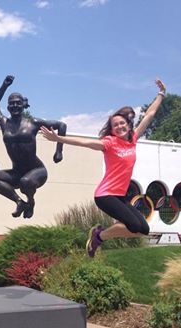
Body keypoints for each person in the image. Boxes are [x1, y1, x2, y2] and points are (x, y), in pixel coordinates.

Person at [40, 79, 167, 257]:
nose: (120, 126)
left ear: (128, 125)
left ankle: (99, 236)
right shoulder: (109, 143)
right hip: (105, 195)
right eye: (115, 125)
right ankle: (98, 236)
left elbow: (149, 115)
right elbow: (85, 143)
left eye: (122, 123)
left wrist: (161, 94)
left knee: (142, 229)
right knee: (132, 225)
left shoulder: (132, 139)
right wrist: (59, 139)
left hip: (120, 196)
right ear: (112, 130)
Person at [0, 75, 67, 219]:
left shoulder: (33, 123)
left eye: (18, 103)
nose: (15, 106)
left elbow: (61, 125)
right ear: (8, 107)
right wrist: (4, 86)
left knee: (26, 182)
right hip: (17, 171)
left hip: (37, 170)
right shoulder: (4, 123)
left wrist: (59, 150)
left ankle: (30, 203)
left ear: (23, 105)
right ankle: (20, 202)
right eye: (12, 103)